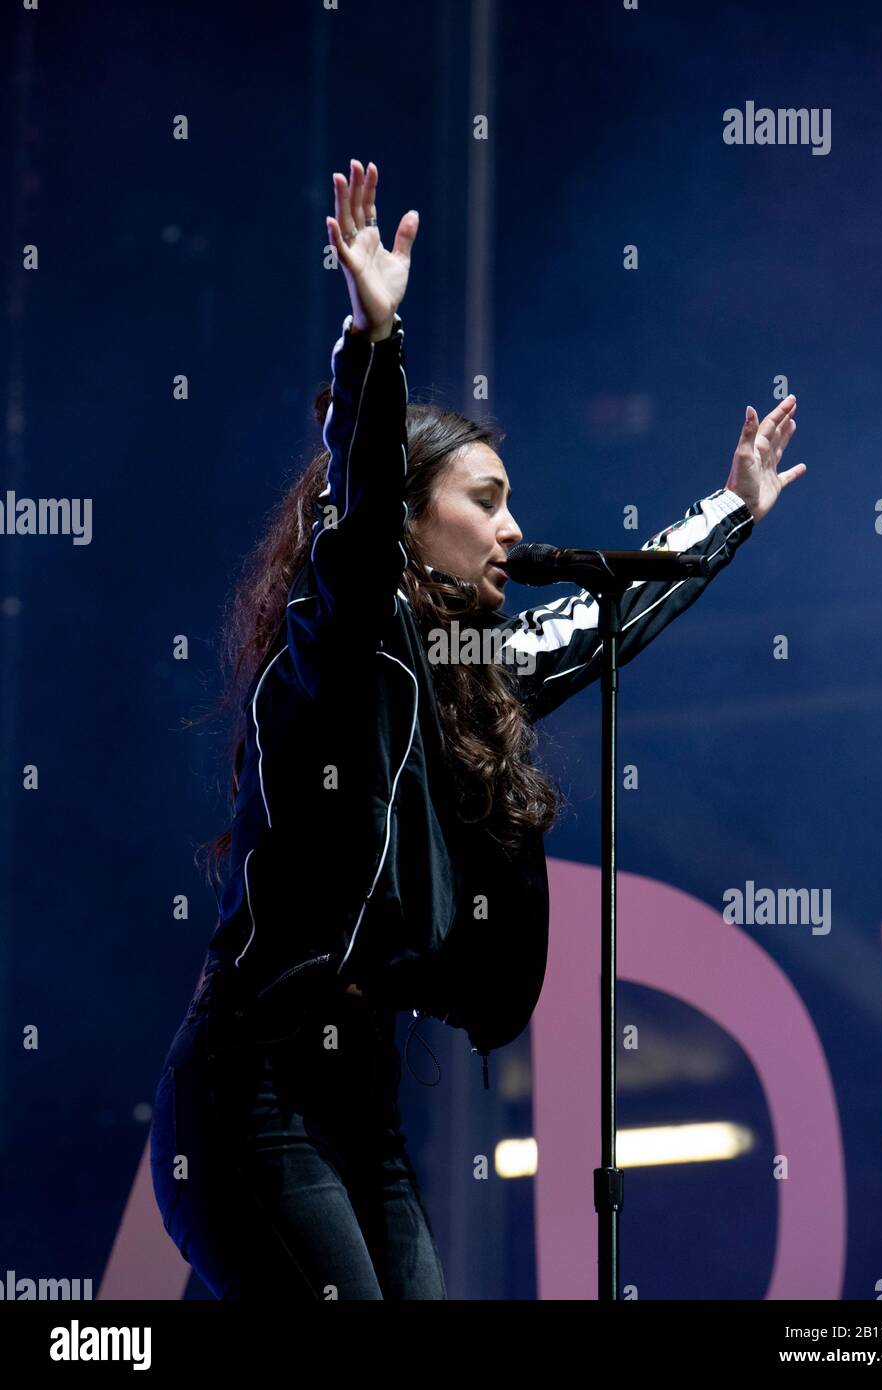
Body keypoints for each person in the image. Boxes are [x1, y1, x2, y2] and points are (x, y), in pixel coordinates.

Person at [149, 157, 805, 1301]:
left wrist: (731, 511)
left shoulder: (464, 662)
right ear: (409, 519)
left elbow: (599, 627)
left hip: (361, 1096)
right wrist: (374, 342)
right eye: (486, 500)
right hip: (252, 1092)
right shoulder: (340, 638)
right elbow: (352, 532)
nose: (514, 529)